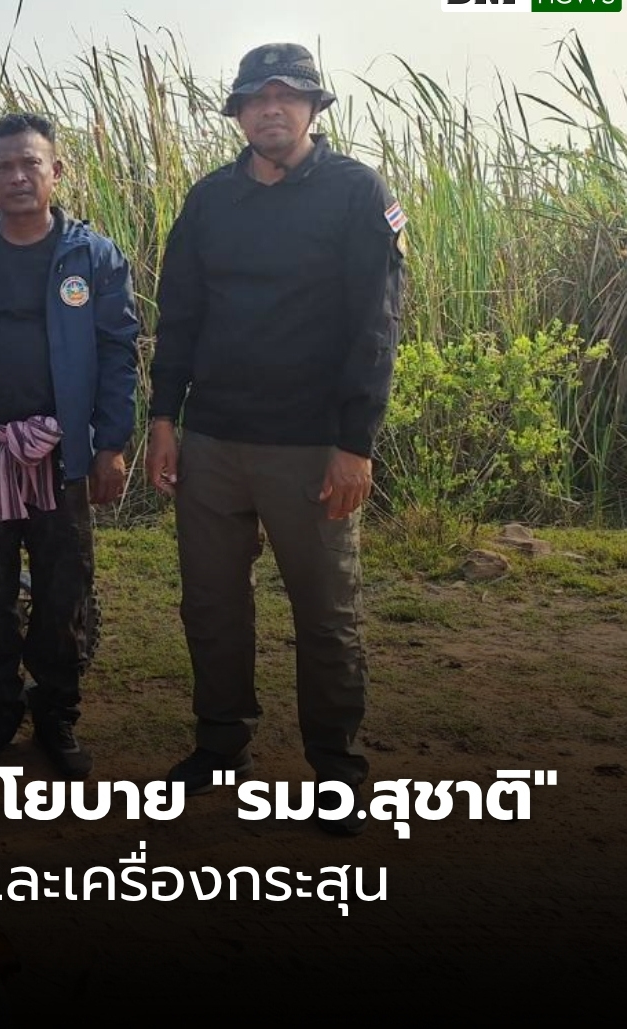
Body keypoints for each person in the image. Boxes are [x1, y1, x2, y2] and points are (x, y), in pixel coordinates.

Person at [147, 43, 405, 835]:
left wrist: (355, 443)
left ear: (314, 108)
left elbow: (375, 326)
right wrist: (163, 418)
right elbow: (180, 314)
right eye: (256, 98)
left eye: (287, 96)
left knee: (326, 615)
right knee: (211, 606)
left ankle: (338, 768)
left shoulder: (357, 193)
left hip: (311, 447)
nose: (271, 109)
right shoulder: (210, 200)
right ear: (237, 112)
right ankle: (221, 743)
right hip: (213, 441)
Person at [0, 112, 140, 776]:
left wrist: (111, 445)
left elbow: (118, 353)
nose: (16, 176)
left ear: (55, 171)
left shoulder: (93, 256)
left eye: (29, 163)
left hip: (63, 456)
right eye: (2, 167)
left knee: (65, 590)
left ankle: (56, 715)